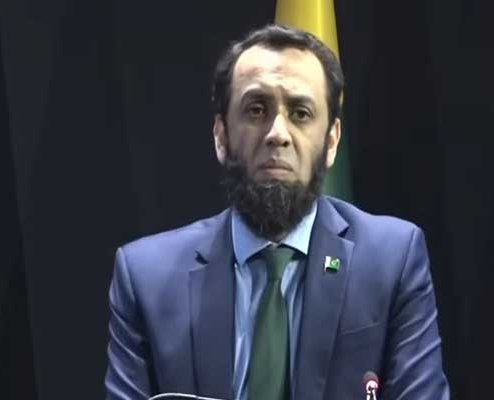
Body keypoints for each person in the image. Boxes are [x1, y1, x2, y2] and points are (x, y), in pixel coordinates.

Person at [105, 24, 449, 400]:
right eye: (256, 110)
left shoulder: (392, 260)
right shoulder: (146, 278)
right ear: (221, 135)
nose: (277, 134)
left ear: (332, 141)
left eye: (300, 113)